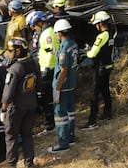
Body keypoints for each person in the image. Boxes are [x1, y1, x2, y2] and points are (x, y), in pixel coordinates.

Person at [0, 37, 39, 168]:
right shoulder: (33, 63)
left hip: (16, 109)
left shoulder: (15, 69)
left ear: (17, 51)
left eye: (10, 50)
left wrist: (3, 110)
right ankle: (29, 163)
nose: (8, 53)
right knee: (27, 135)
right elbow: (38, 84)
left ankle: (11, 165)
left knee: (11, 138)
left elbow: (8, 93)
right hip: (31, 105)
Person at [48, 19, 79, 152]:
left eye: (56, 33)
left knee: (60, 115)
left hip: (63, 85)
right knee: (70, 112)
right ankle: (71, 137)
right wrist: (56, 52)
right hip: (71, 84)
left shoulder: (64, 48)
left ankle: (63, 143)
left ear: (60, 33)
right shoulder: (72, 44)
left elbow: (63, 70)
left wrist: (57, 89)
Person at [83, 11, 115, 129]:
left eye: (96, 23)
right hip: (108, 66)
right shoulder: (111, 33)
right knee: (105, 91)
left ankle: (92, 122)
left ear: (101, 23)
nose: (96, 26)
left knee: (94, 94)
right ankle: (107, 114)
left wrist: (85, 52)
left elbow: (92, 54)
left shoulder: (102, 36)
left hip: (100, 68)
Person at [29, 11, 57, 132]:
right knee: (46, 98)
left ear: (39, 23)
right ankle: (49, 122)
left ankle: (50, 124)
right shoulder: (44, 33)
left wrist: (46, 69)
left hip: (47, 69)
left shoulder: (47, 34)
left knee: (47, 98)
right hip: (44, 67)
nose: (34, 29)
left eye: (34, 26)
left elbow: (52, 52)